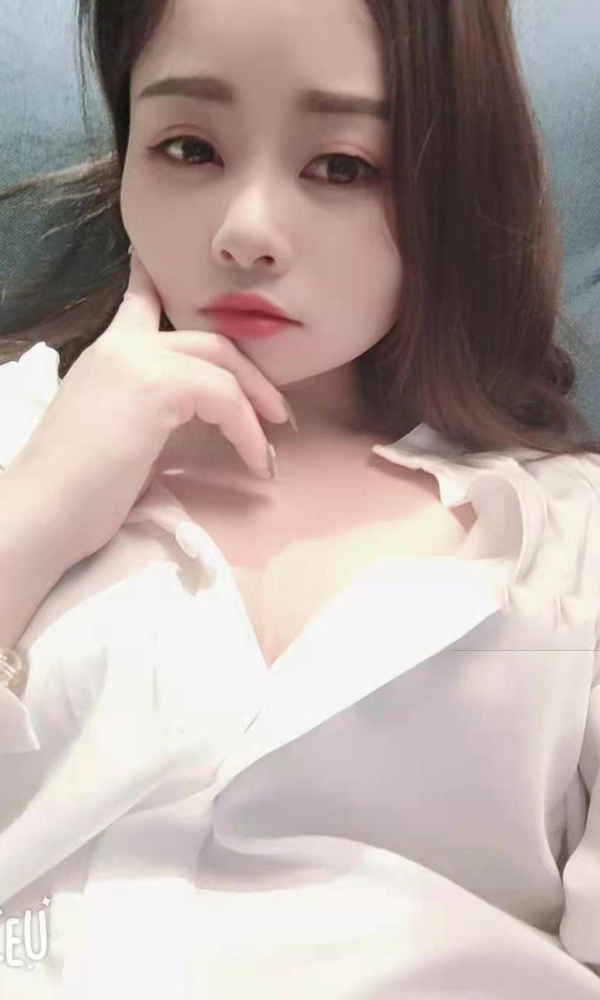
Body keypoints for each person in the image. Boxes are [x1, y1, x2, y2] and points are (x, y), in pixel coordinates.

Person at [0, 0, 600, 996]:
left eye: (342, 167)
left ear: (453, 186)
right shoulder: (16, 433)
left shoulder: (573, 541)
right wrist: (36, 513)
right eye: (189, 148)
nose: (246, 231)